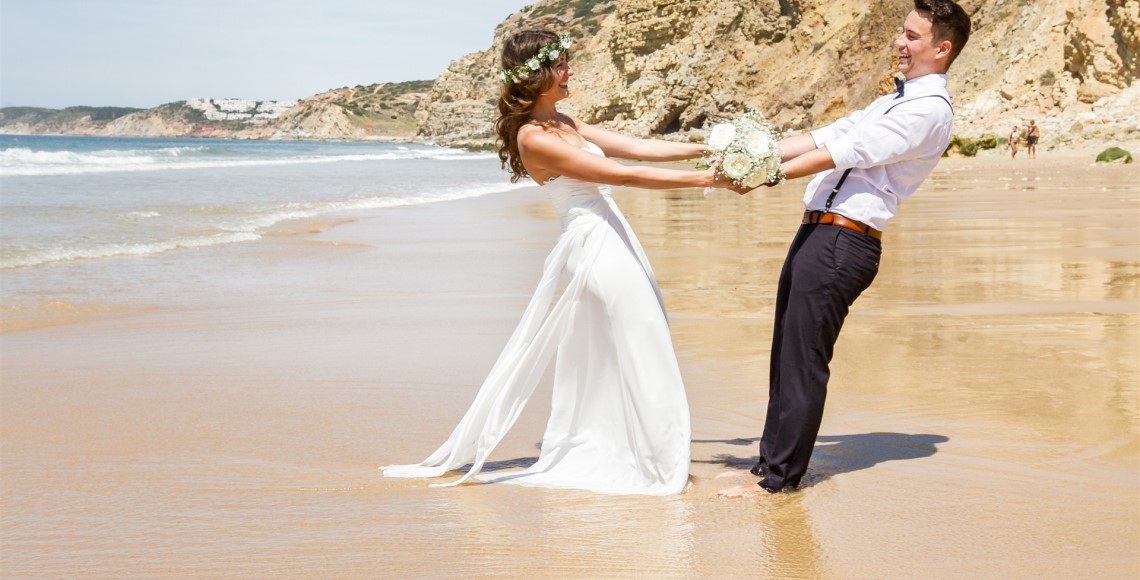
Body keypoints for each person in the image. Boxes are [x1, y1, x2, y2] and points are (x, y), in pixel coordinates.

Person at [384, 28, 742, 495]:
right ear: (536, 74)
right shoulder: (534, 137)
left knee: (637, 344)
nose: (570, 70)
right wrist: (710, 181)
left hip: (612, 237)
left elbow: (636, 147)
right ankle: (659, 467)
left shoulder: (566, 124)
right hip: (593, 247)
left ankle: (651, 456)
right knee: (644, 342)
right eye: (561, 64)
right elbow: (622, 174)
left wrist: (711, 149)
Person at [719, 0, 971, 497]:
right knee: (786, 352)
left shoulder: (928, 109)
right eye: (902, 32)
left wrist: (764, 176)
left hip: (844, 240)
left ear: (941, 49)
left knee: (805, 359)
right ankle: (768, 464)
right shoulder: (895, 100)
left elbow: (850, 151)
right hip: (818, 231)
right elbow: (829, 133)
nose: (900, 42)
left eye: (912, 37)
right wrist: (751, 151)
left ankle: (779, 479)